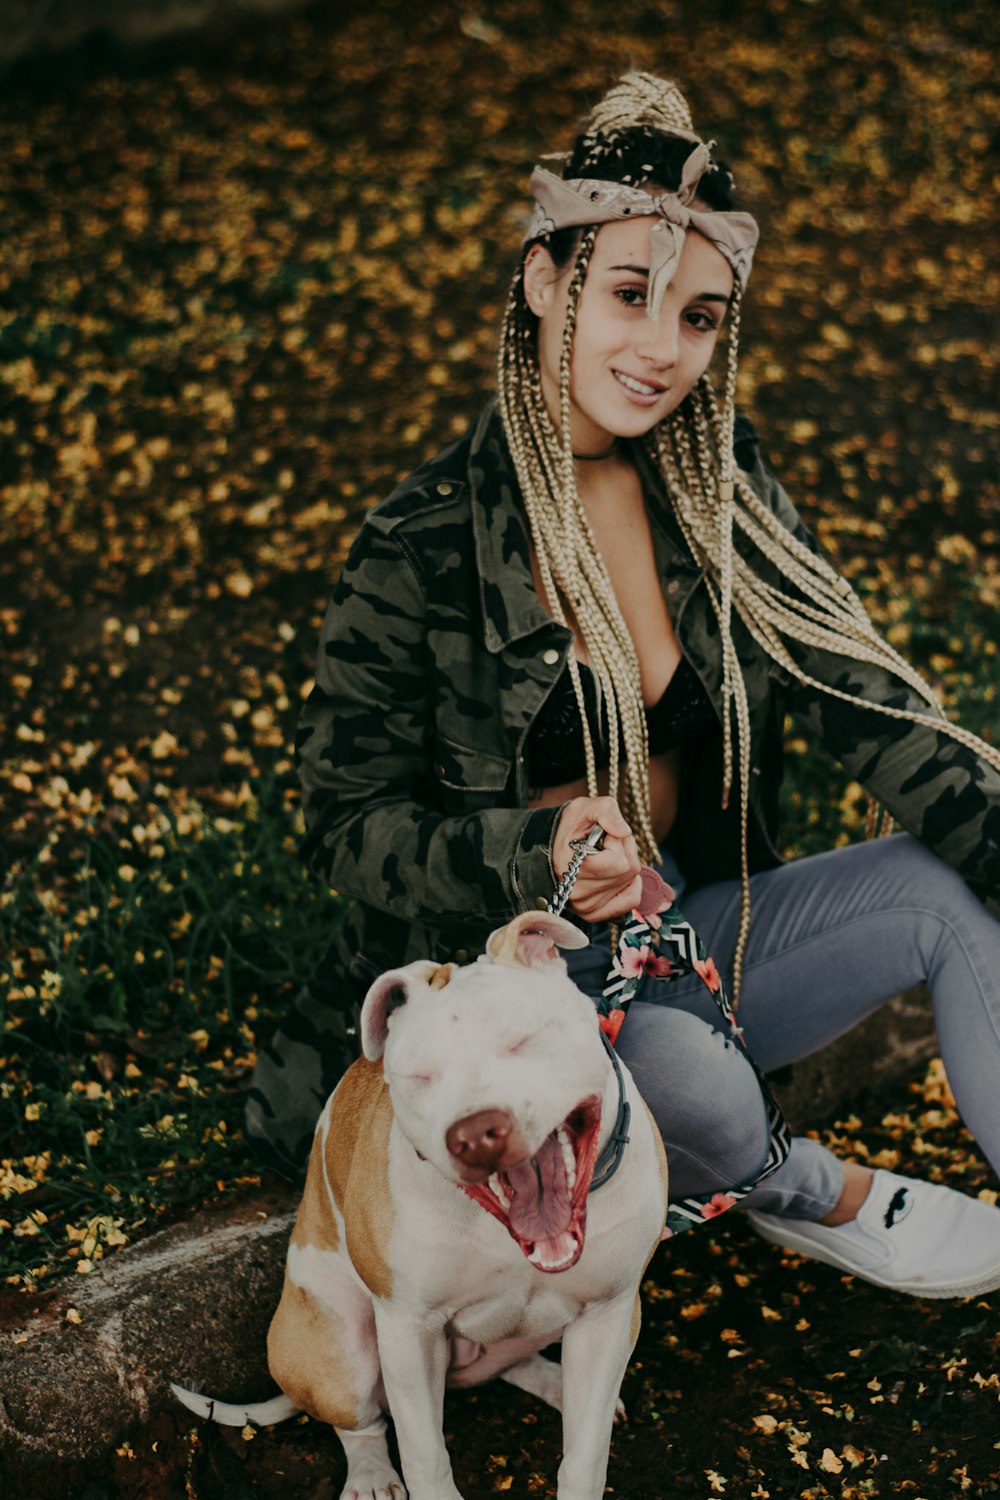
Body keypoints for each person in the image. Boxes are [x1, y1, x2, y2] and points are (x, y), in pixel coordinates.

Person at [247, 73, 1000, 1297]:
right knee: (695, 1080)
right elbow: (349, 831)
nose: (662, 351)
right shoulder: (423, 544)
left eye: (700, 318)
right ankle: (811, 1191)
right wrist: (537, 847)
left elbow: (863, 697)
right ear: (547, 282)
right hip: (513, 993)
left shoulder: (713, 486)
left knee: (943, 888)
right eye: (629, 295)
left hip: (690, 942)